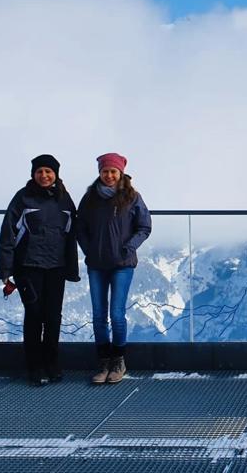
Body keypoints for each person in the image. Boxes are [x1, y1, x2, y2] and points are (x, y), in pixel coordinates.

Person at [0, 154, 80, 386]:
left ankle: (52, 364)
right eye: (39, 171)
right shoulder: (22, 198)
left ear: (56, 174)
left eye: (49, 171)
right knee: (34, 316)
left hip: (56, 268)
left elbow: (73, 233)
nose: (44, 175)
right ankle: (34, 367)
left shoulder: (64, 199)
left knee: (53, 317)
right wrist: (5, 269)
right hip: (28, 267)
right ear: (33, 174)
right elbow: (8, 234)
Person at [77, 152, 151, 384]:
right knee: (99, 315)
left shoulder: (132, 197)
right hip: (97, 264)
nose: (109, 175)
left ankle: (118, 360)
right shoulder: (90, 198)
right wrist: (90, 250)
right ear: (99, 173)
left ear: (120, 173)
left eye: (113, 171)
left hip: (122, 264)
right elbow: (80, 228)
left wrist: (128, 247)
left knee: (117, 315)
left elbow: (144, 226)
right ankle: (103, 362)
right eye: (105, 171)